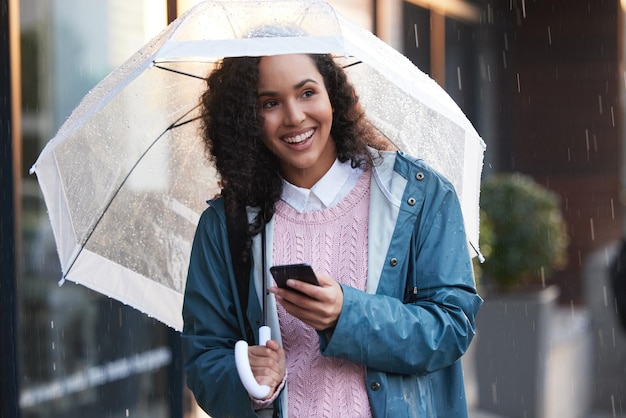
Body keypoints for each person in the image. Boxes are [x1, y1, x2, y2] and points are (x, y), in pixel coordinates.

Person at [182, 51, 483, 417]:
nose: (294, 117)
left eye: (307, 92)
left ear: (333, 96)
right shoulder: (224, 224)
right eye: (270, 102)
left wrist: (346, 315)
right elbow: (204, 359)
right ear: (246, 118)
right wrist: (249, 381)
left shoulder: (416, 195)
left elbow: (452, 325)